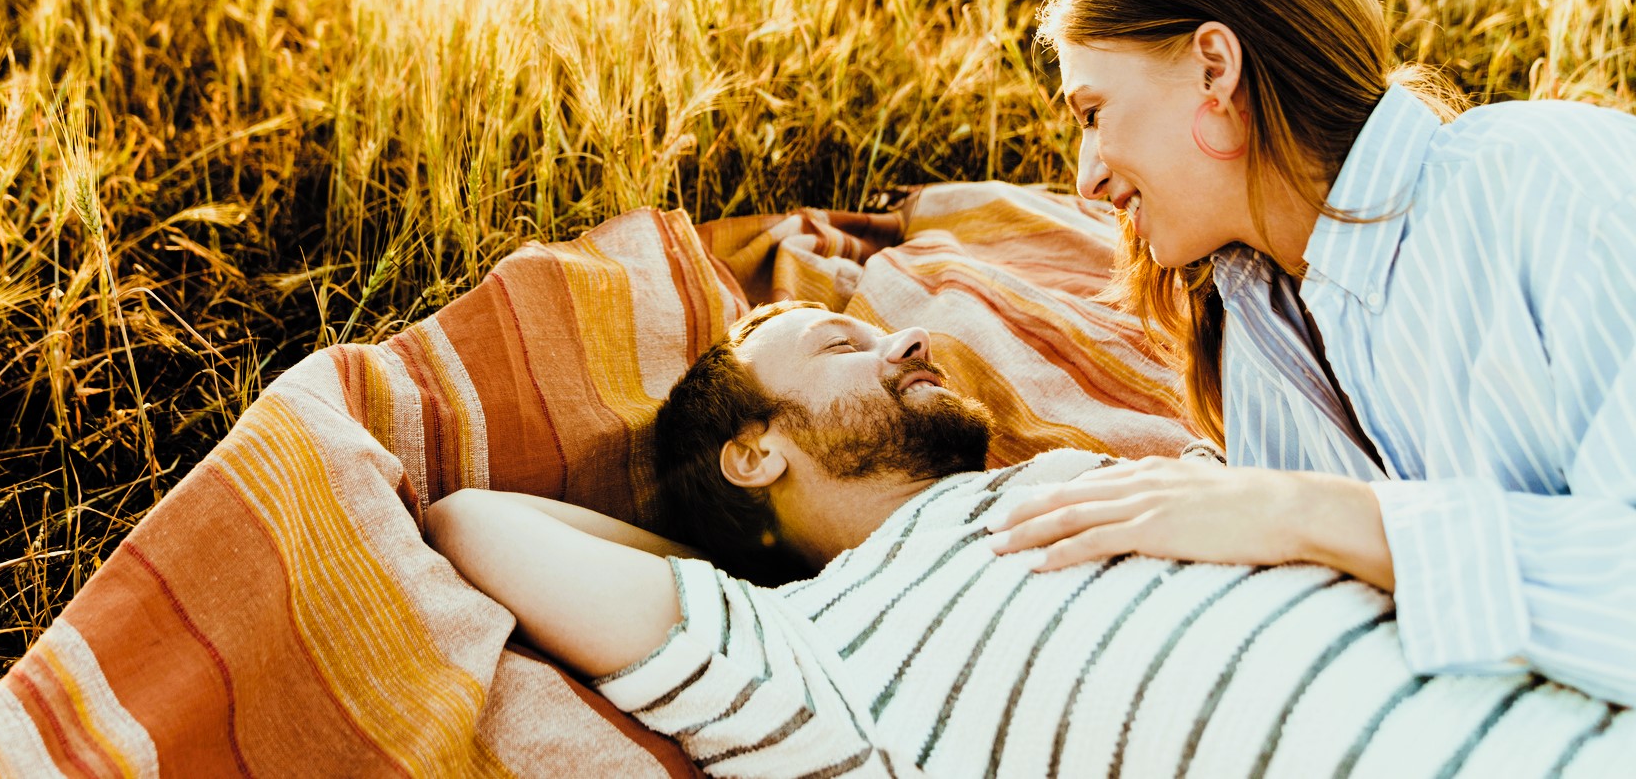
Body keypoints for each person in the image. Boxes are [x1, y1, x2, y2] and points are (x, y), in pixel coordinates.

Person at [426, 302, 1630, 777]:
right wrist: (719, 558)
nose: (904, 338)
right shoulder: (804, 648)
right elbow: (476, 520)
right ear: (755, 451)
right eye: (840, 344)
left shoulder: (1095, 469)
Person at [999, 0, 1636, 707]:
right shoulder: (1250, 332)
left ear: (1214, 70)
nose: (1084, 177)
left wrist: (1315, 514)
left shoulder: (1550, 185)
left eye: (1093, 112)